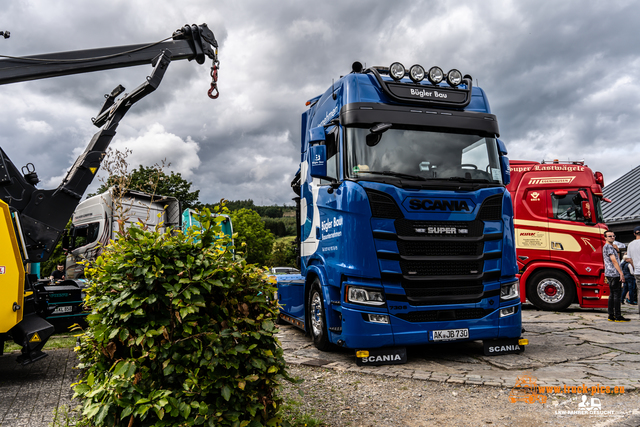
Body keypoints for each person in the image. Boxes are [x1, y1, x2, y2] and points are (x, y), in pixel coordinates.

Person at [603, 231, 629, 322]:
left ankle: (611, 315)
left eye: (614, 236)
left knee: (612, 294)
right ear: (605, 237)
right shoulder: (609, 247)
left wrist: (617, 250)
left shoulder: (609, 247)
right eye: (610, 236)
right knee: (617, 295)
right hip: (614, 273)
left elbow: (617, 258)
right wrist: (621, 273)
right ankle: (618, 315)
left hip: (609, 273)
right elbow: (614, 261)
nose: (612, 237)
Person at [627, 226, 640, 310]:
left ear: (634, 234)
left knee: (639, 291)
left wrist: (635, 267)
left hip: (637, 271)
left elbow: (629, 259)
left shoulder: (630, 244)